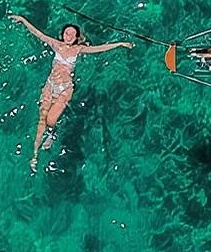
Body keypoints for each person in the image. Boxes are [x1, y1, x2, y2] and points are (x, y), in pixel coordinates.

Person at [9, 14, 134, 171]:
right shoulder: (55, 44)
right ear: (62, 35)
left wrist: (120, 44)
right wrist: (22, 19)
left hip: (65, 88)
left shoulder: (78, 49)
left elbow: (99, 48)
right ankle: (35, 156)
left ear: (76, 38)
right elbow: (38, 33)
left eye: (73, 35)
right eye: (67, 33)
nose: (69, 36)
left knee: (51, 120)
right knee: (42, 119)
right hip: (50, 85)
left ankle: (52, 133)